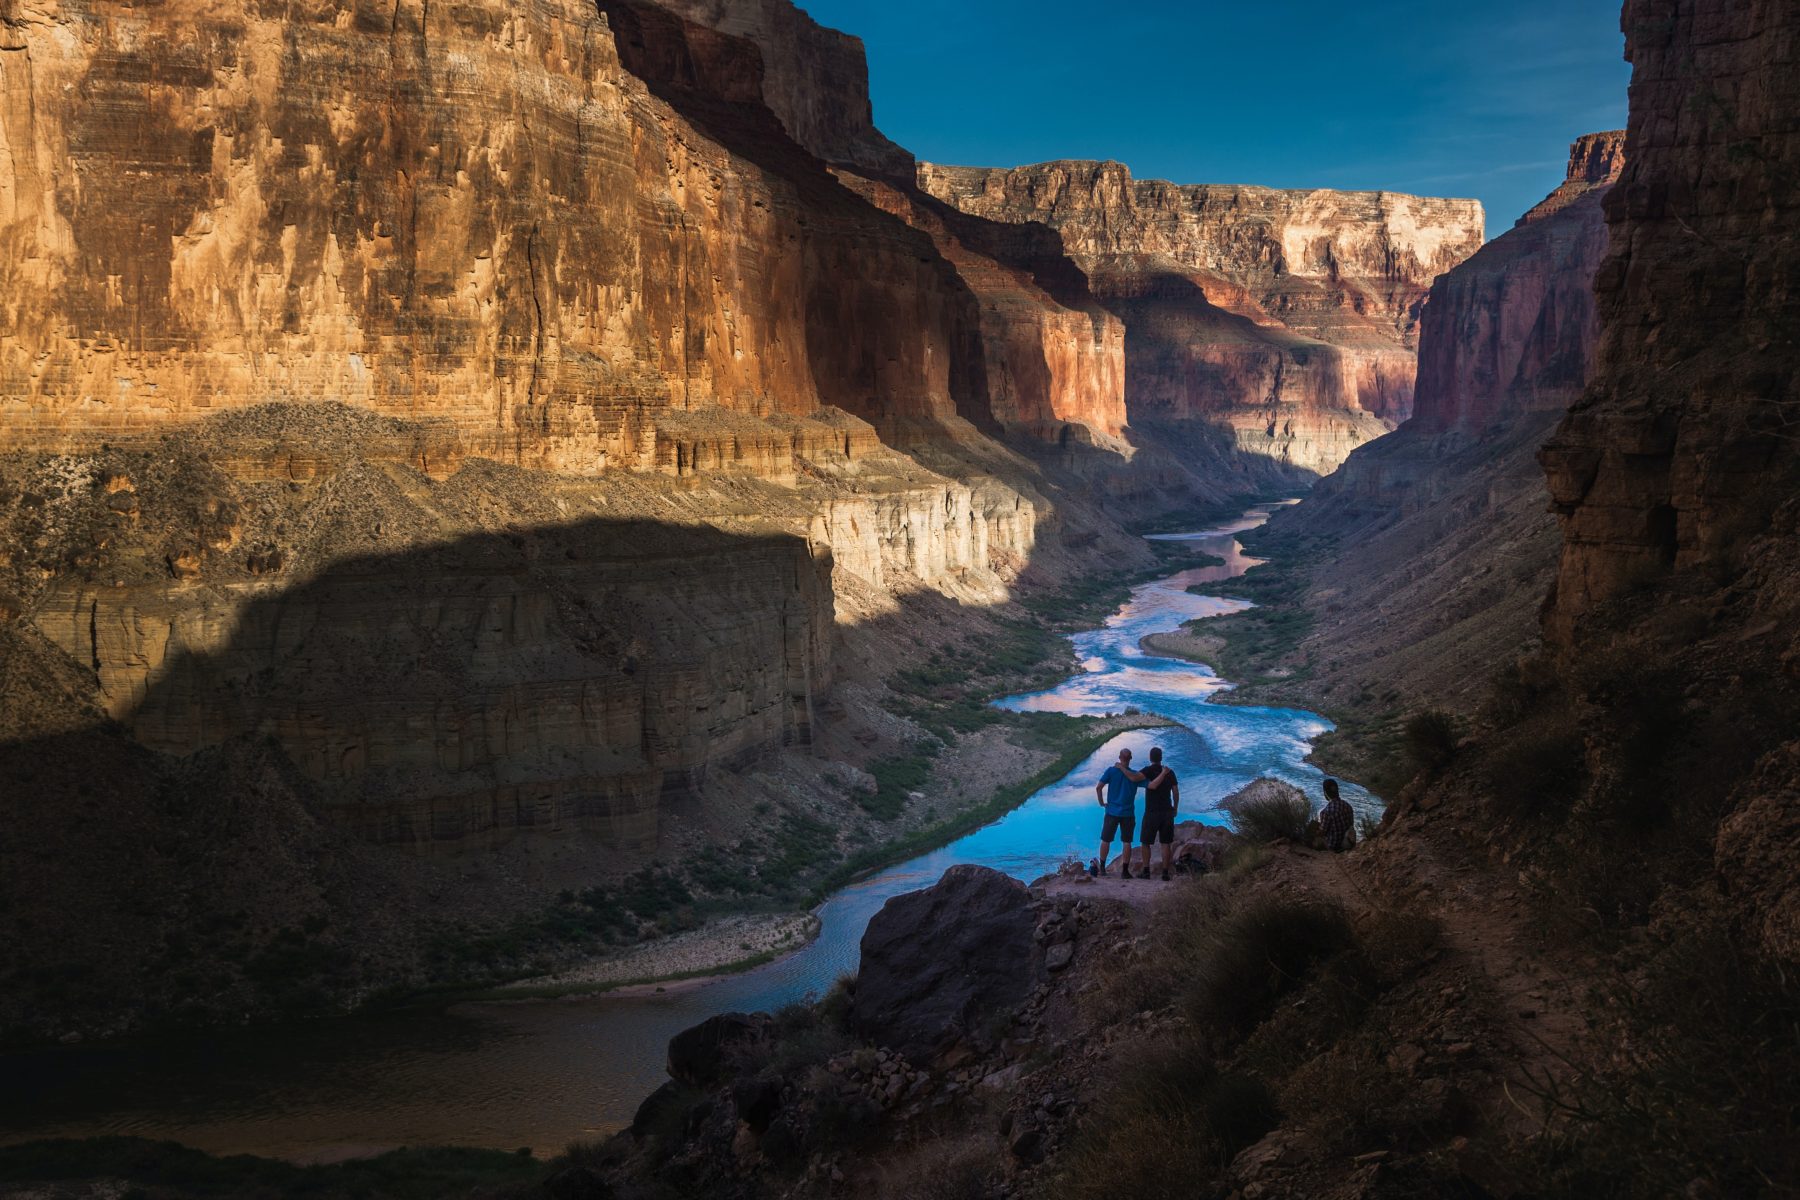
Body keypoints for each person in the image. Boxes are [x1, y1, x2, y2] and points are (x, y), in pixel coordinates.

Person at [1093, 748, 1146, 877]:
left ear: (1119, 757)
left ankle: (1103, 868)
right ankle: (1125, 871)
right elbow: (1151, 785)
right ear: (1131, 758)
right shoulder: (1135, 775)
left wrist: (1101, 802)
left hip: (1111, 811)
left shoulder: (1111, 771)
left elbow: (1099, 787)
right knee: (1127, 842)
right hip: (1127, 813)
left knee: (1106, 840)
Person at [1136, 747, 1180, 880]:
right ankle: (1165, 873)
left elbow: (1135, 778)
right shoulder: (1170, 772)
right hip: (1167, 811)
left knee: (1145, 842)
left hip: (1151, 812)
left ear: (1150, 758)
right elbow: (1176, 792)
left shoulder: (1147, 771)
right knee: (1166, 843)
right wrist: (1175, 808)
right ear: (1161, 758)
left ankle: (1146, 871)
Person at [1319, 778, 1354, 852]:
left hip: (1333, 847)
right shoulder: (1348, 806)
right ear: (1337, 791)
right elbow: (1351, 825)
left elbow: (1322, 833)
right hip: (1347, 844)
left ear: (1325, 793)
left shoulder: (1325, 812)